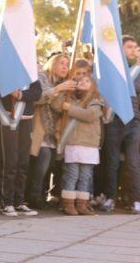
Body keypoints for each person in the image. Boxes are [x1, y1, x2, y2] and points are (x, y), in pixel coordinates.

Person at [27, 53, 75, 209]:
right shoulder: (41, 78)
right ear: (52, 64)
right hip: (40, 128)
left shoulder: (67, 85)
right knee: (42, 159)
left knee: (49, 165)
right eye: (61, 63)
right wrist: (57, 89)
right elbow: (37, 99)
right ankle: (33, 196)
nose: (64, 67)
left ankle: (42, 194)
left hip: (55, 132)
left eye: (66, 64)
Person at [52, 75, 103, 215]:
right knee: (72, 174)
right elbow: (56, 106)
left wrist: (70, 109)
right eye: (80, 81)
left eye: (87, 81)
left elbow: (89, 115)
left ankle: (82, 204)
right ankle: (68, 203)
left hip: (89, 144)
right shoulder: (70, 98)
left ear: (93, 86)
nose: (83, 82)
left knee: (85, 176)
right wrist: (64, 91)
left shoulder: (96, 101)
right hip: (73, 143)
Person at [100, 36, 140, 213]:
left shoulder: (137, 69)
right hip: (114, 121)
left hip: (133, 122)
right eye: (129, 47)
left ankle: (136, 200)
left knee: (132, 162)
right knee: (112, 162)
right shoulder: (113, 68)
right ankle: (110, 197)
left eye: (135, 47)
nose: (133, 50)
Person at [0, 62, 43, 217]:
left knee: (23, 162)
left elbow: (37, 93)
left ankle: (19, 201)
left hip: (26, 120)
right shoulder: (7, 71)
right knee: (11, 161)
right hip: (10, 120)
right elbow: (1, 90)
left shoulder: (31, 76)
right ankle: (7, 202)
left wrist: (21, 95)